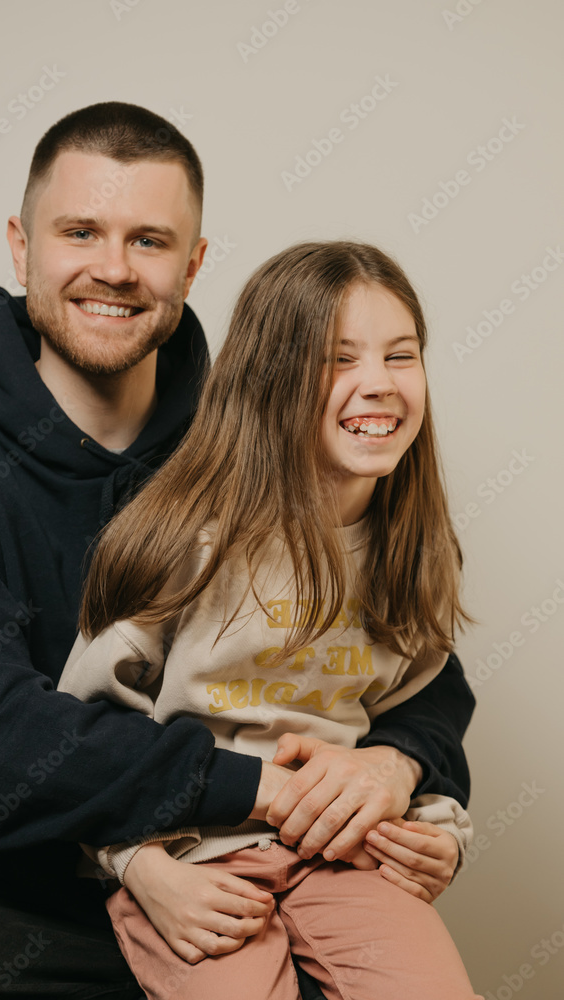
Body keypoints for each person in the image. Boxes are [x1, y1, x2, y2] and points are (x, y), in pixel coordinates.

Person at [0, 103, 474, 1000]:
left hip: (246, 862)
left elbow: (410, 658)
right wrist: (264, 791)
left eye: (151, 241)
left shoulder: (258, 440)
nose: (114, 269)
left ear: (194, 263)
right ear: (21, 247)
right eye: (80, 231)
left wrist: (393, 771)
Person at [58, 240, 482, 1000]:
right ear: (269, 378)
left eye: (401, 355)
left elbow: (415, 713)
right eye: (338, 359)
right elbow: (79, 741)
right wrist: (134, 864)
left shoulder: (411, 547)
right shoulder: (184, 542)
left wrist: (437, 826)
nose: (378, 385)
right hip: (191, 856)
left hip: (342, 855)